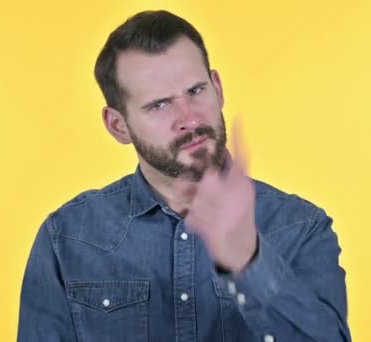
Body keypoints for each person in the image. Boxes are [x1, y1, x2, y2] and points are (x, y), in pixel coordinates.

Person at [17, 10, 351, 342]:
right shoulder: (67, 238)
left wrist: (251, 262)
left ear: (217, 88)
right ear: (118, 125)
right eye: (159, 105)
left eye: (195, 91)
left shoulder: (301, 227)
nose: (189, 119)